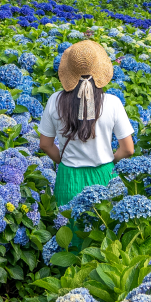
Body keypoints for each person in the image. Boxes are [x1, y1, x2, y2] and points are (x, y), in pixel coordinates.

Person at [37, 38, 134, 237]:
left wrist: (62, 160)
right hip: (104, 177)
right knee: (103, 240)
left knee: (69, 241)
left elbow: (45, 144)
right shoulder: (113, 102)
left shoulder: (55, 100)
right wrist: (109, 160)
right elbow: (128, 149)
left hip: (68, 178)